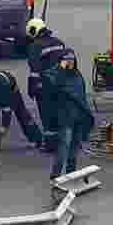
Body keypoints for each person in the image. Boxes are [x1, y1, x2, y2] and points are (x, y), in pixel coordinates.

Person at [43, 49, 95, 179]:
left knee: (74, 149)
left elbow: (81, 96)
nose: (70, 62)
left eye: (72, 60)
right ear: (60, 61)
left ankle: (71, 174)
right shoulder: (52, 75)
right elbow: (52, 89)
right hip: (65, 118)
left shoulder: (77, 74)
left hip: (78, 117)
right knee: (63, 147)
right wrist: (61, 69)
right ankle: (55, 176)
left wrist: (86, 115)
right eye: (67, 60)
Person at [25, 18, 67, 149]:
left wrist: (32, 87)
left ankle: (50, 144)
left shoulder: (35, 46)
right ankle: (63, 140)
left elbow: (34, 70)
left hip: (45, 86)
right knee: (59, 112)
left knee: (46, 114)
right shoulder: (59, 42)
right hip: (61, 83)